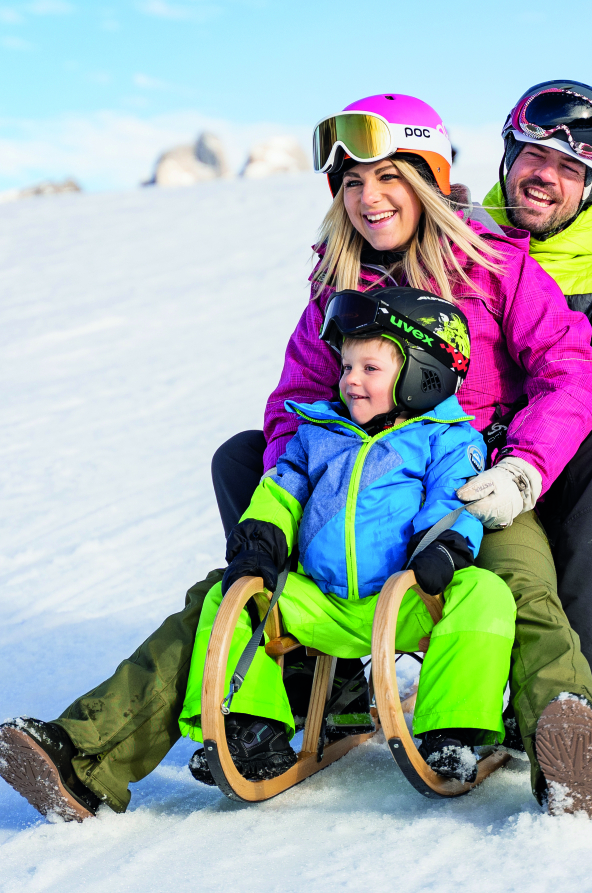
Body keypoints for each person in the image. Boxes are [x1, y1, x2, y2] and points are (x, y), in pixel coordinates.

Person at [0, 93, 592, 821]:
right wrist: (283, 507)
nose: (368, 198)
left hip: (465, 483)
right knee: (223, 598)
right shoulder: (335, 288)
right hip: (353, 485)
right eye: (351, 182)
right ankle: (83, 757)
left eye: (387, 177)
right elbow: (293, 405)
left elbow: (574, 369)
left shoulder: (491, 268)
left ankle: (575, 764)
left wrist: (522, 466)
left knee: (517, 586)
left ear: (423, 178)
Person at [178, 287, 513, 787]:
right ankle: (250, 730)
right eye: (346, 367)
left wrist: (444, 548)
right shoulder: (318, 433)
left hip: (407, 600)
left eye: (370, 369)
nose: (350, 381)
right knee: (228, 595)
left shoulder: (447, 437)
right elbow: (281, 490)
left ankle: (452, 735)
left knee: (486, 595)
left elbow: (452, 500)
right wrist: (259, 544)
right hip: (322, 606)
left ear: (423, 375)